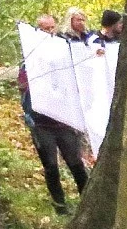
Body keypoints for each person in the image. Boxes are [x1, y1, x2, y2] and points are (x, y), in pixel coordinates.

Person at [19, 19, 90, 213]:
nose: (49, 32)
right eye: (45, 29)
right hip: (41, 124)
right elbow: (23, 86)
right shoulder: (30, 58)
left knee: (76, 163)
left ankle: (88, 204)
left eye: (52, 28)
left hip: (64, 122)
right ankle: (60, 206)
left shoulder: (64, 51)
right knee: (51, 165)